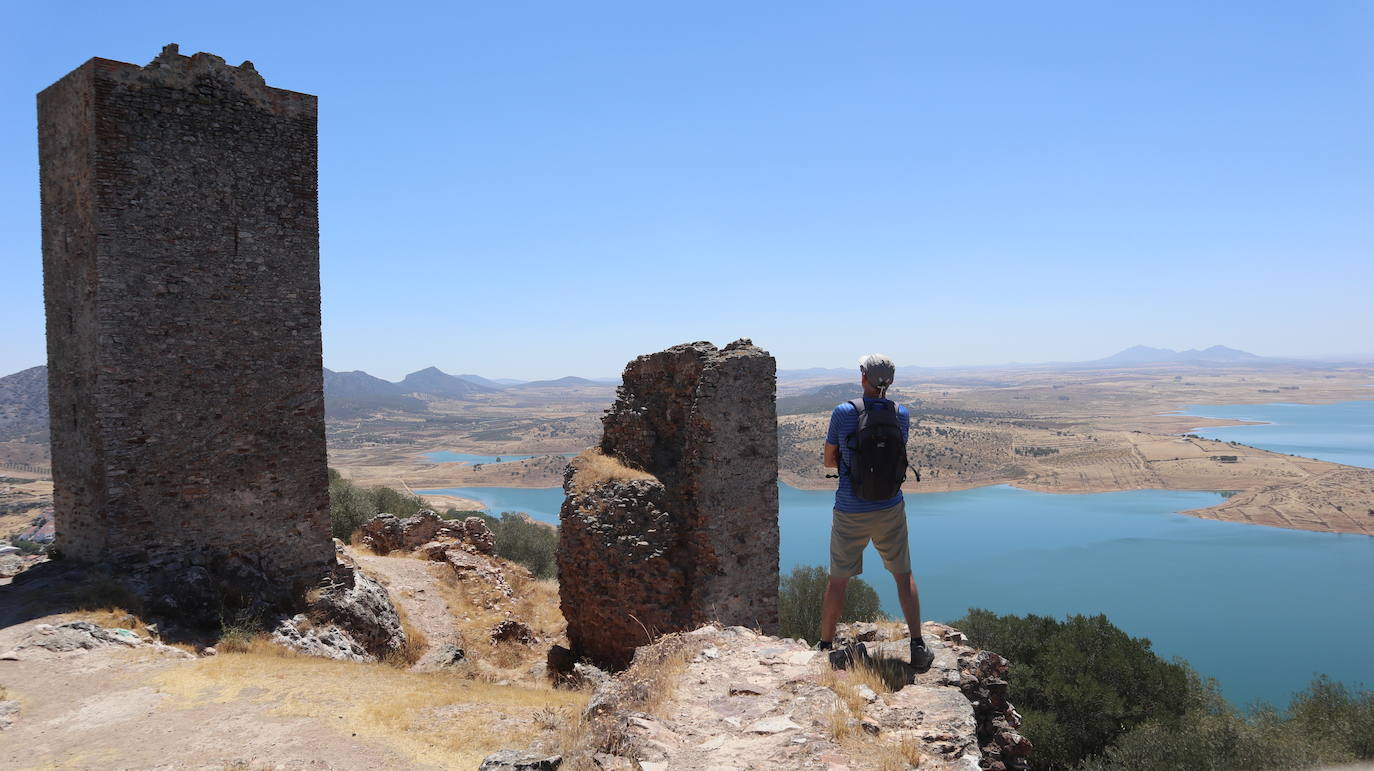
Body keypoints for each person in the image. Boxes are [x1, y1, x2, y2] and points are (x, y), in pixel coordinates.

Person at [819, 353, 934, 671]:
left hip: (850, 508)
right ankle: (917, 645)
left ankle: (825, 647)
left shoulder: (844, 412)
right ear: (891, 382)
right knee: (903, 576)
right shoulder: (901, 414)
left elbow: (830, 461)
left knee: (838, 581)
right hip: (890, 507)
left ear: (863, 377)